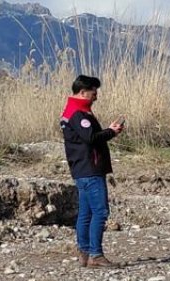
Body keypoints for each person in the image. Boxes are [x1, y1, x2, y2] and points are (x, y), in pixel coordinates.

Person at [61, 74, 124, 268]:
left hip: (82, 169)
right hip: (89, 169)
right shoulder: (78, 113)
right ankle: (96, 254)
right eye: (93, 92)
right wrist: (111, 132)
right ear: (83, 92)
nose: (96, 96)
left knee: (86, 213)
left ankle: (85, 253)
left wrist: (108, 131)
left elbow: (88, 136)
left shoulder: (74, 111)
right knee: (100, 211)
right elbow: (91, 138)